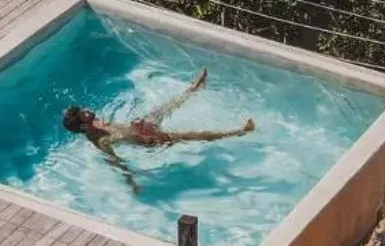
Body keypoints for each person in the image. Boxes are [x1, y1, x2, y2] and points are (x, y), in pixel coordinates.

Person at [61, 68, 255, 192]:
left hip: (139, 127)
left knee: (164, 107)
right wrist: (132, 182)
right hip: (149, 140)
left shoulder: (95, 123)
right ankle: (239, 131)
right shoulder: (101, 141)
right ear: (83, 125)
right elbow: (115, 161)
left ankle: (194, 88)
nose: (86, 110)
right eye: (82, 113)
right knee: (193, 135)